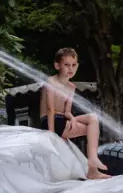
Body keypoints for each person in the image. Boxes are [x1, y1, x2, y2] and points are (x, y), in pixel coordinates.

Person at [39, 47, 110, 180]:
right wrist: (51, 134)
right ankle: (92, 169)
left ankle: (93, 163)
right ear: (57, 66)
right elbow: (50, 109)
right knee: (90, 129)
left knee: (93, 118)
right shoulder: (51, 81)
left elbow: (66, 111)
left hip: (63, 120)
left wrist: (72, 118)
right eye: (66, 65)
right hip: (50, 121)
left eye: (73, 65)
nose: (70, 69)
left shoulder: (71, 87)